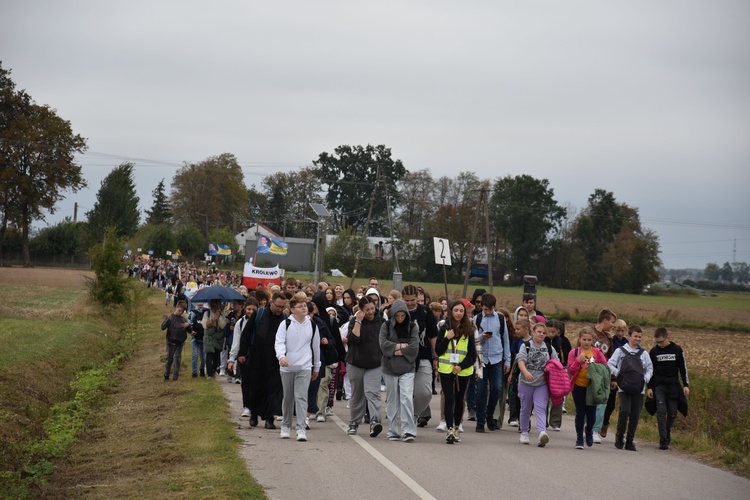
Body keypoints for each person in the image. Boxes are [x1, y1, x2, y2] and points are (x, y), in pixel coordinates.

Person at [238, 292, 289, 429]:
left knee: (273, 389)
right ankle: (254, 414)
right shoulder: (259, 314)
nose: (280, 309)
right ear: (271, 303)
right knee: (256, 388)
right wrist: (242, 353)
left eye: (283, 307)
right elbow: (246, 333)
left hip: (275, 360)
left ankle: (269, 418)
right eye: (278, 306)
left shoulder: (284, 318)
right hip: (257, 358)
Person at [275, 296, 320, 441]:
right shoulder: (285, 324)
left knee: (301, 397)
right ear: (293, 310)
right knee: (288, 397)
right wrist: (281, 356)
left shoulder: (312, 325)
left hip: (305, 365)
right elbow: (279, 342)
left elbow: (315, 347)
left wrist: (316, 366)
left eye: (305, 305)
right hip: (287, 366)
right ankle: (286, 426)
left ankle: (301, 428)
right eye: (300, 306)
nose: (304, 308)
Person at [435, 300, 477, 444]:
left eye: (461, 311)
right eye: (456, 310)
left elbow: (472, 355)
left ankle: (457, 427)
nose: (458, 313)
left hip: (462, 371)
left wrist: (461, 366)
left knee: (460, 400)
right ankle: (449, 429)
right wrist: (447, 338)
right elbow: (438, 350)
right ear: (451, 312)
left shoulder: (469, 330)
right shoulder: (444, 328)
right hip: (446, 369)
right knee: (449, 398)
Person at [607, 325, 653, 451]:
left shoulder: (644, 354)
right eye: (635, 336)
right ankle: (619, 436)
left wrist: (645, 379)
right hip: (624, 387)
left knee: (635, 414)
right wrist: (618, 374)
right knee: (625, 411)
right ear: (629, 336)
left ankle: (630, 440)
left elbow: (649, 369)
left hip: (639, 388)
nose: (637, 339)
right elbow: (610, 364)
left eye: (640, 337)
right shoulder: (620, 351)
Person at [379, 299, 420, 442]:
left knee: (406, 398)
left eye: (403, 316)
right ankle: (392, 430)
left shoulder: (413, 327)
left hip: (407, 368)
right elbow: (383, 345)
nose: (400, 319)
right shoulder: (386, 325)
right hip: (389, 368)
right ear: (393, 315)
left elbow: (414, 348)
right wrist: (403, 347)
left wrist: (394, 349)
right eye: (397, 316)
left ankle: (408, 430)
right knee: (392, 400)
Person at [346, 296, 385, 437]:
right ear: (361, 310)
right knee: (357, 395)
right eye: (367, 310)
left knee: (373, 393)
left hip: (374, 364)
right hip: (356, 363)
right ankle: (354, 422)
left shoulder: (381, 322)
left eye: (372, 309)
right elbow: (353, 339)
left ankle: (375, 422)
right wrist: (358, 321)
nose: (370, 312)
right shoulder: (355, 322)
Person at [401, 285, 438, 428]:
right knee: (405, 393)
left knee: (425, 392)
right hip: (403, 358)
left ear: (418, 298)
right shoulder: (398, 311)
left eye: (413, 300)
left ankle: (414, 414)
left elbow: (433, 336)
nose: (410, 303)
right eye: (407, 300)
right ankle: (407, 420)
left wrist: (436, 357)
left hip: (423, 356)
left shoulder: (425, 312)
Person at [517, 323, 559, 447]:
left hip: (542, 384)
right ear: (533, 332)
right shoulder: (526, 346)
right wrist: (525, 372)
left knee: (541, 408)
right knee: (526, 408)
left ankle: (542, 433)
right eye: (539, 331)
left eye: (543, 333)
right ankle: (524, 431)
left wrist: (549, 368)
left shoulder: (549, 348)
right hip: (526, 383)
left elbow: (555, 362)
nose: (541, 334)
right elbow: (520, 361)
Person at [648, 327, 689, 450]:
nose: (659, 344)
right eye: (657, 342)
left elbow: (683, 368)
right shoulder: (654, 351)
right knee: (661, 411)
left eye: (661, 342)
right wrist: (649, 387)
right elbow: (650, 370)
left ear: (668, 338)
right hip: (659, 386)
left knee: (672, 412)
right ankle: (663, 439)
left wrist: (686, 385)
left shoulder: (677, 350)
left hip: (673, 386)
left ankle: (667, 430)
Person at [474, 292, 511, 433]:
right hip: (481, 359)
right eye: (485, 309)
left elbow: (505, 340)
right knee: (481, 390)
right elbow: (473, 340)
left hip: (497, 358)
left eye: (489, 309)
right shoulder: (477, 319)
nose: (487, 312)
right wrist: (482, 337)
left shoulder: (501, 319)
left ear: (494, 307)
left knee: (496, 388)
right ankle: (480, 421)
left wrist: (507, 360)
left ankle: (489, 414)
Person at [567, 327, 608, 449]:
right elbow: (570, 370)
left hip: (592, 388)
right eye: (584, 339)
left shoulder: (597, 352)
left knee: (591, 414)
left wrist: (594, 368)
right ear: (579, 339)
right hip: (578, 386)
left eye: (589, 340)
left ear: (592, 341)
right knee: (580, 413)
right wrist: (578, 361)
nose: (586, 342)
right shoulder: (574, 353)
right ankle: (580, 438)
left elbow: (605, 367)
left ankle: (589, 430)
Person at [228, 299, 259, 419]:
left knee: (257, 383)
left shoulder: (261, 321)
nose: (251, 311)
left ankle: (256, 406)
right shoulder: (240, 323)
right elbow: (236, 342)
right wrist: (232, 358)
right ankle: (247, 406)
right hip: (244, 355)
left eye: (253, 309)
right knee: (246, 382)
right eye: (248, 309)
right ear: (245, 309)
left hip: (258, 355)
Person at [591, 308, 617, 444]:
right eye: (612, 322)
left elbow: (611, 359)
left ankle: (596, 430)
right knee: (588, 403)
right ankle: (586, 428)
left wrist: (613, 378)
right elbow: (578, 352)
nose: (613, 325)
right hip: (588, 374)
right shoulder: (588, 332)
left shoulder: (608, 339)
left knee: (601, 403)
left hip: (603, 375)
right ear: (605, 321)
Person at [601, 318, 629, 438]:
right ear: (613, 330)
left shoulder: (627, 342)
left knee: (622, 406)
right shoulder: (611, 341)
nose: (620, 333)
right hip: (612, 374)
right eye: (618, 330)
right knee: (609, 402)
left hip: (624, 376)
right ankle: (603, 423)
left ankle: (619, 430)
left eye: (622, 331)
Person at [546, 319, 571, 431]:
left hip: (558, 372)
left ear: (558, 332)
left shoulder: (563, 341)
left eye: (553, 332)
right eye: (548, 332)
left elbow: (567, 355)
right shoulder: (542, 341)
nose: (550, 334)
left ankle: (555, 422)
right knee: (544, 396)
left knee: (557, 396)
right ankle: (543, 420)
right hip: (546, 371)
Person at [160, 300, 192, 381]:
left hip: (179, 342)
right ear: (176, 308)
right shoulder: (170, 317)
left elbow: (189, 330)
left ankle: (175, 376)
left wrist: (188, 326)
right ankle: (166, 374)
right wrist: (168, 320)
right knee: (169, 358)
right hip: (170, 341)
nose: (180, 312)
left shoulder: (183, 319)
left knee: (177, 358)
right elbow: (162, 327)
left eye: (182, 311)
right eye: (179, 310)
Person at [201, 299, 228, 379]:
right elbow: (205, 325)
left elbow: (223, 326)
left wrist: (219, 316)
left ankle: (213, 370)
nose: (219, 305)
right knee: (209, 354)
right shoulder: (207, 313)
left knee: (216, 355)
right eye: (217, 303)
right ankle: (210, 373)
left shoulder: (221, 313)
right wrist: (214, 318)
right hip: (209, 337)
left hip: (218, 337)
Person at [188, 302, 207, 378]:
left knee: (203, 356)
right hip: (195, 337)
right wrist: (191, 330)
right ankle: (194, 372)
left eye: (201, 302)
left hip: (203, 337)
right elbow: (189, 322)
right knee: (195, 355)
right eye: (198, 302)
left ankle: (202, 369)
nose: (200, 304)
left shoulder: (206, 312)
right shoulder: (193, 312)